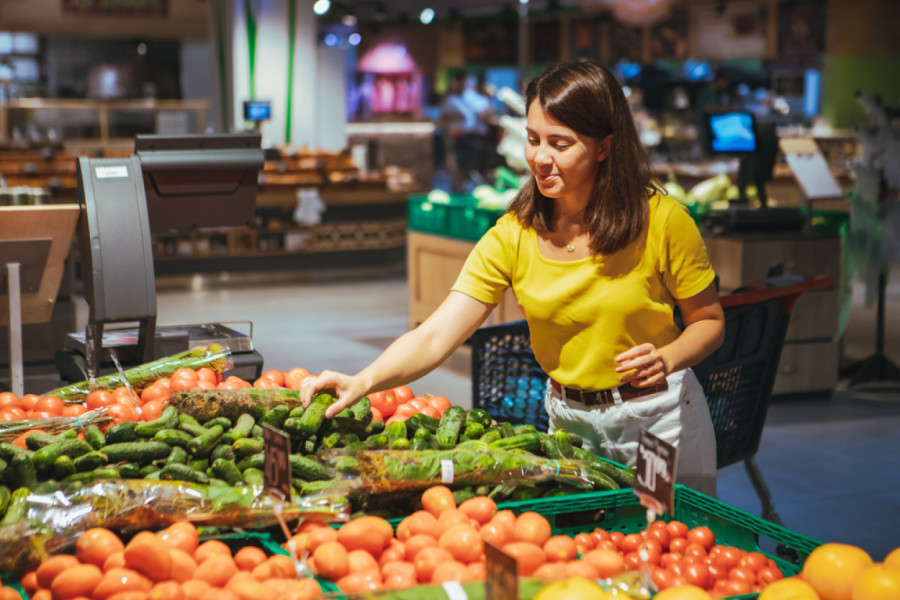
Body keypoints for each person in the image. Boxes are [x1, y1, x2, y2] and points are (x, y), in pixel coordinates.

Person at [300, 59, 725, 495]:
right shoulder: (513, 234)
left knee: (665, 544)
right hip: (569, 426)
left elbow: (709, 322)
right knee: (591, 547)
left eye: (560, 144)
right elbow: (434, 336)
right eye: (533, 139)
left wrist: (668, 359)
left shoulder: (663, 221)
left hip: (656, 422)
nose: (540, 158)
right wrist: (363, 381)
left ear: (604, 147)